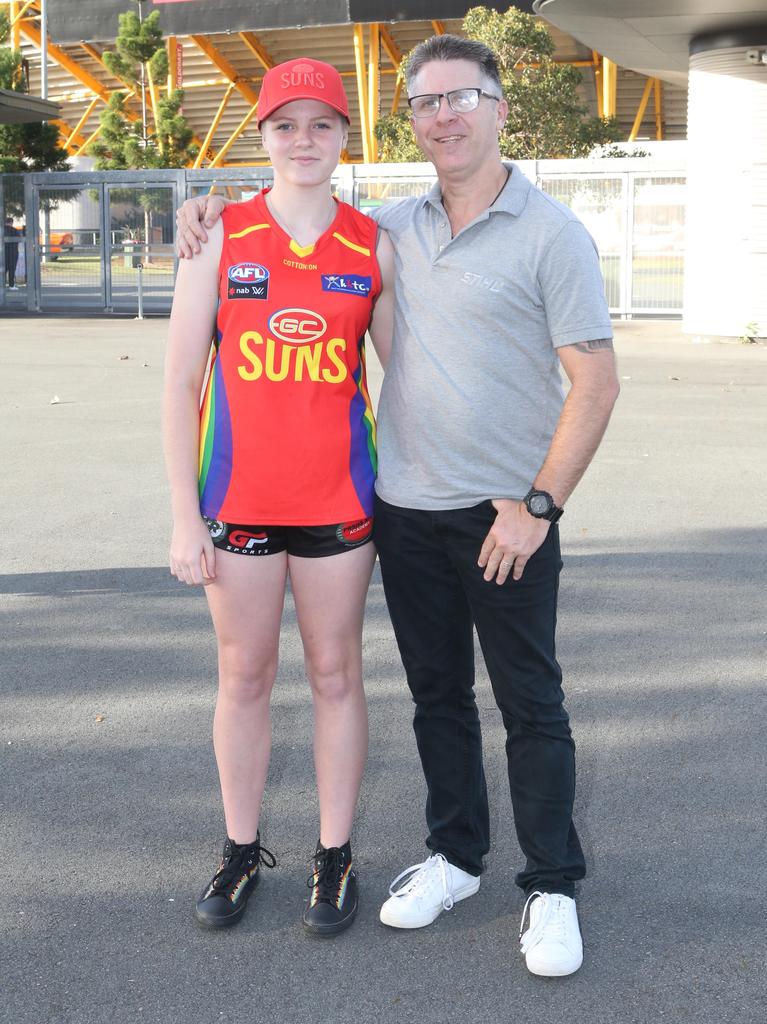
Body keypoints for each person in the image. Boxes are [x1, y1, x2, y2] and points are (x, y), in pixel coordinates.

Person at [175, 35, 619, 976]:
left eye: (464, 97)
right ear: (411, 121)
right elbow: (280, 256)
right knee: (436, 700)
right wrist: (199, 209)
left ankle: (551, 885)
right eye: (428, 102)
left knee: (529, 701)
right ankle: (455, 856)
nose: (446, 115)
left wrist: (539, 503)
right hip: (406, 506)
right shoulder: (393, 227)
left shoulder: (546, 233)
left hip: (503, 513)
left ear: (499, 107)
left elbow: (595, 380)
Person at [163, 57, 394, 938]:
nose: (304, 140)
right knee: (244, 675)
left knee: (337, 674)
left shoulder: (373, 243)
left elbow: (406, 377)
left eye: (322, 124)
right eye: (285, 125)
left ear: (344, 136)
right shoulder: (218, 234)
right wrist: (186, 517)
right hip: (239, 505)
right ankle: (239, 848)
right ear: (261, 136)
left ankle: (334, 857)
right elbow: (182, 380)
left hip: (341, 504)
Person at [4, 217, 20, 289]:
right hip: (13, 252)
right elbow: (19, 239)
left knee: (3, 269)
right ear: (11, 222)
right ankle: (11, 285)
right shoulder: (15, 230)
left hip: (3, 253)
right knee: (12, 269)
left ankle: (1, 284)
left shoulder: (1, 230)